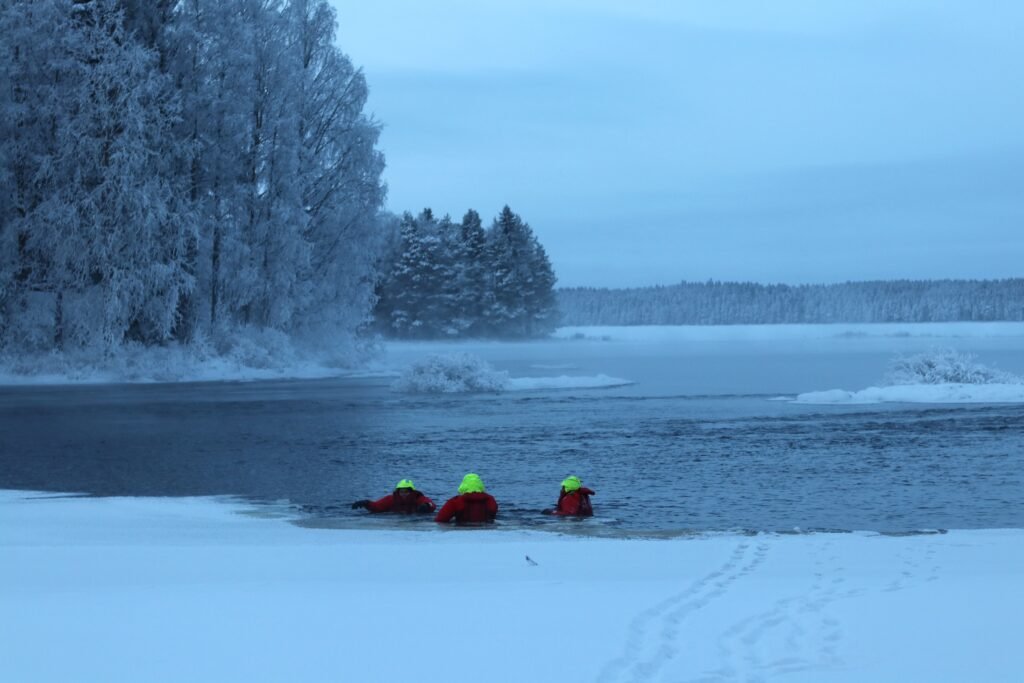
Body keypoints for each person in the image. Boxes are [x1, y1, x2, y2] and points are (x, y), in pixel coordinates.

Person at [351, 479, 436, 514]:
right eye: (401, 491)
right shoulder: (391, 499)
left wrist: (426, 506)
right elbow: (377, 507)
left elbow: (431, 504)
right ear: (398, 491)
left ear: (412, 492)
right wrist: (366, 503)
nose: (403, 493)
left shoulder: (419, 498)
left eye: (406, 491)